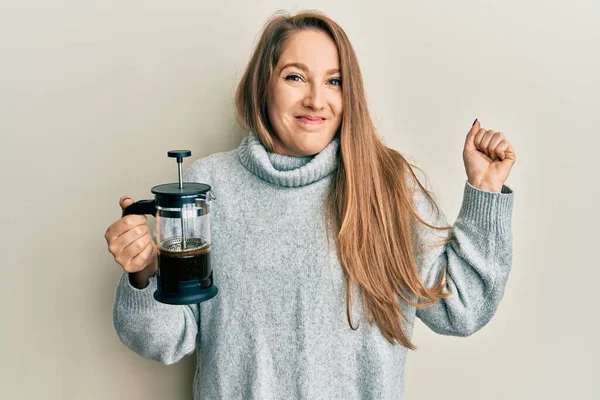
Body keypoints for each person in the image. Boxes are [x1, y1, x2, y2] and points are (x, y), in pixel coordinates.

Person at [104, 9, 516, 400]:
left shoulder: (385, 184)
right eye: (296, 77)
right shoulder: (210, 187)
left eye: (334, 81)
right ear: (263, 85)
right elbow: (166, 341)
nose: (317, 100)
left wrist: (484, 191)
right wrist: (143, 273)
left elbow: (461, 309)